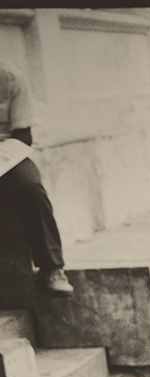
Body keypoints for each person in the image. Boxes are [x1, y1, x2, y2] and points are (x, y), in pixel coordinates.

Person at [0, 60, 72, 297]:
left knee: (30, 187)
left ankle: (51, 268)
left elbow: (23, 136)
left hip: (5, 153)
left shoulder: (10, 77)